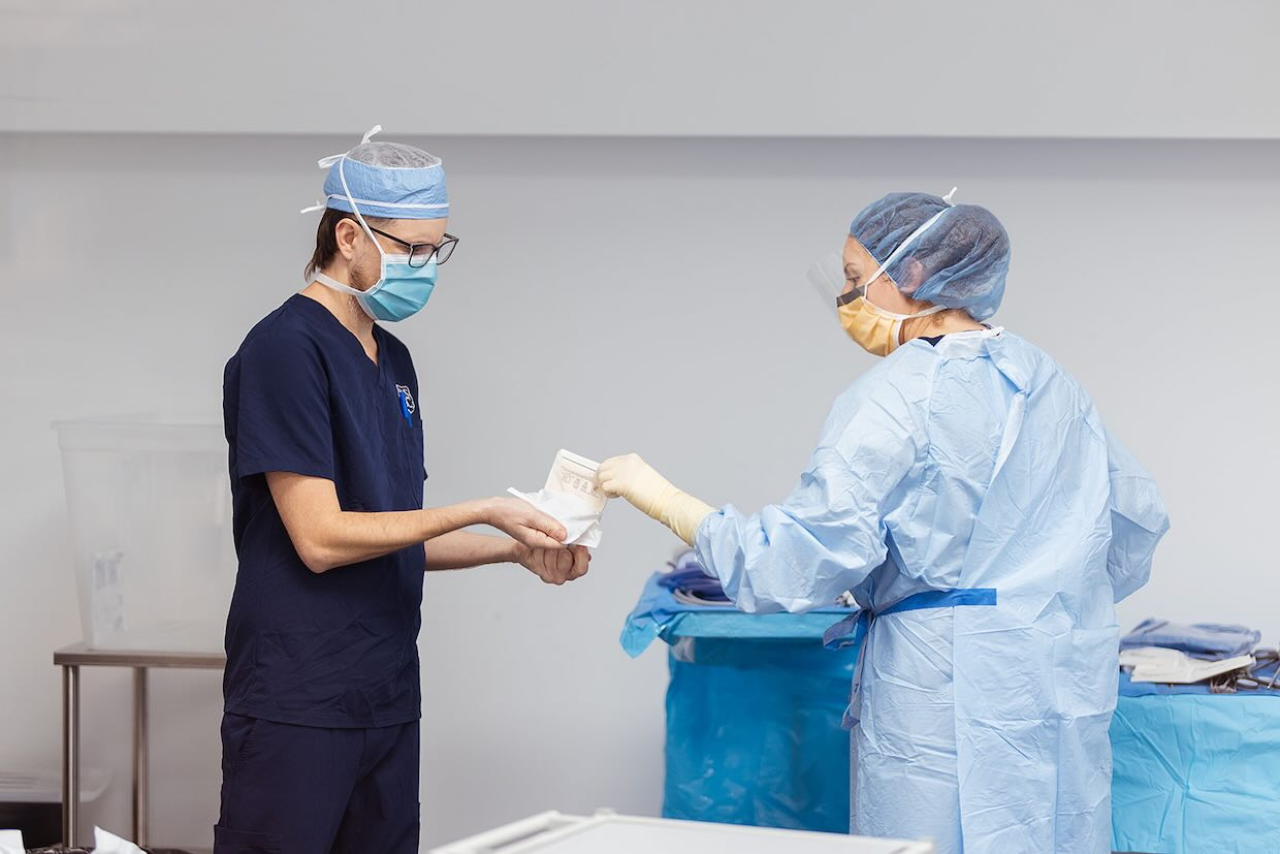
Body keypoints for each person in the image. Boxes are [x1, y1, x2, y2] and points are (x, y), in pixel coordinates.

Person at [598, 190, 1169, 853]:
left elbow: (794, 562)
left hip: (940, 680)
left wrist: (666, 501)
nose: (845, 299)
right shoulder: (1051, 383)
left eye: (852, 278)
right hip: (1056, 668)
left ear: (915, 276)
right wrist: (1043, 594)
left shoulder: (896, 396)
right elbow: (1137, 519)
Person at [217, 127, 589, 854]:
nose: (424, 266)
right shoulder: (284, 351)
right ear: (349, 236)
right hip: (300, 697)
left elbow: (397, 528)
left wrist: (511, 549)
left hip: (384, 695)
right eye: (411, 249)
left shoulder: (394, 361)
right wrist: (486, 505)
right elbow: (322, 539)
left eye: (435, 250)